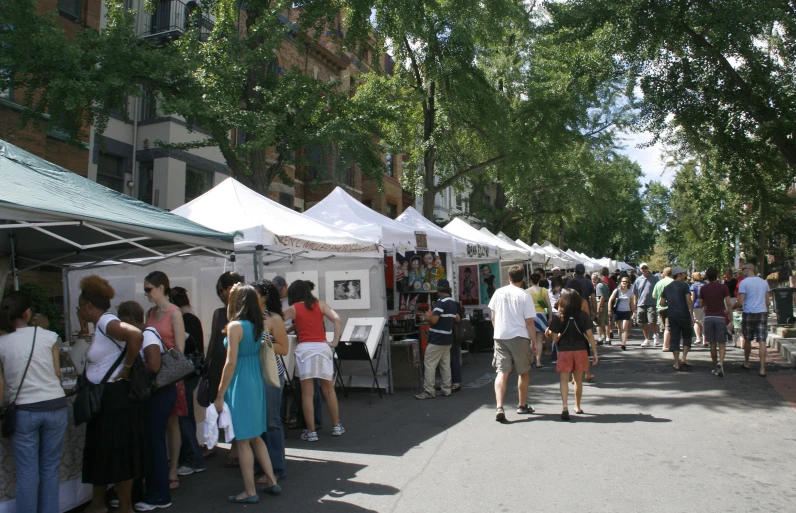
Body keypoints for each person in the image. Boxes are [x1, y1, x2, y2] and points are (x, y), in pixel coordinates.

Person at [78, 275, 145, 513]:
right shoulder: (102, 324)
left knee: (117, 452)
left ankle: (124, 506)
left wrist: (126, 369)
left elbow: (136, 335)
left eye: (80, 306)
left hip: (114, 398)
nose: (79, 311)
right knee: (102, 451)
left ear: (88, 306)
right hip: (106, 399)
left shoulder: (106, 321)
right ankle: (99, 503)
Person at [0, 291, 67, 513]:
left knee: (28, 473)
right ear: (28, 313)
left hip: (23, 410)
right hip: (55, 405)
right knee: (49, 469)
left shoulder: (2, 343)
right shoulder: (48, 336)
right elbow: (57, 374)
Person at [215, 284, 280, 504]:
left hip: (240, 382)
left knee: (243, 439)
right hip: (256, 380)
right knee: (255, 437)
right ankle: (271, 480)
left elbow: (230, 362)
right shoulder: (260, 324)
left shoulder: (235, 326)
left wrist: (219, 394)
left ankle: (250, 491)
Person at [117, 301, 172, 512]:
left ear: (129, 319)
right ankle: (144, 493)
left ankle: (159, 495)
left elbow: (154, 365)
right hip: (157, 394)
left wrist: (130, 370)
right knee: (150, 443)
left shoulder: (147, 335)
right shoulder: (147, 333)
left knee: (154, 444)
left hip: (158, 394)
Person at [283, 280, 344, 442]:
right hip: (322, 348)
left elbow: (276, 321)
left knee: (307, 393)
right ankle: (337, 426)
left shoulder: (293, 308)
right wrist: (335, 341)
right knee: (329, 390)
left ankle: (311, 432)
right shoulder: (320, 305)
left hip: (305, 350)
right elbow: (337, 320)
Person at [144, 271, 186, 492]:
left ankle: (172, 470)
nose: (146, 294)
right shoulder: (149, 312)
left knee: (171, 423)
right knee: (158, 423)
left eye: (148, 289)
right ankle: (160, 468)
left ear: (161, 288)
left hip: (169, 373)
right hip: (153, 374)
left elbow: (180, 349)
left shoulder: (174, 313)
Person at [488, 265, 537, 422]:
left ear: (509, 277)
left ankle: (499, 406)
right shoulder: (525, 295)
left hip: (501, 335)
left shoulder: (498, 293)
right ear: (522, 279)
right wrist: (534, 342)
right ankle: (521, 404)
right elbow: (529, 321)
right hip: (519, 336)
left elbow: (493, 317)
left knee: (502, 371)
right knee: (523, 371)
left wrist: (498, 331)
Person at [252, 279, 289, 481]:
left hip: (272, 372)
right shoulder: (248, 317)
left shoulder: (274, 319)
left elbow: (284, 348)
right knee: (259, 421)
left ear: (264, 296)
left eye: (254, 293)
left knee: (271, 420)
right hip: (252, 373)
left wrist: (262, 345)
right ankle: (262, 464)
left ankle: (276, 468)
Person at [205, 271, 244, 464]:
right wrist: (207, 361)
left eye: (221, 290)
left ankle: (236, 446)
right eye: (218, 291)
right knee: (218, 403)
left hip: (234, 363)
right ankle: (214, 442)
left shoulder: (244, 313)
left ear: (230, 289)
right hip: (219, 363)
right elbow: (213, 339)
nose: (219, 294)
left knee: (234, 404)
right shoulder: (219, 313)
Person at [169, 287, 206, 477]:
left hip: (185, 372)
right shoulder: (192, 317)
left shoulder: (183, 319)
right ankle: (190, 456)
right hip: (193, 371)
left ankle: (193, 458)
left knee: (183, 416)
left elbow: (185, 346)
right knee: (186, 415)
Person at [546, 288, 598, 420]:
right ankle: (577, 406)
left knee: (564, 380)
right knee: (578, 381)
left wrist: (553, 336)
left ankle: (564, 406)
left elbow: (555, 338)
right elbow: (590, 335)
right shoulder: (583, 315)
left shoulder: (559, 316)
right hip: (580, 349)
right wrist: (595, 352)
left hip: (564, 350)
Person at [415, 279, 460, 399]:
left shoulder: (441, 302)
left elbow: (434, 320)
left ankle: (429, 390)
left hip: (437, 337)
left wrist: (425, 318)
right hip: (448, 337)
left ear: (439, 289)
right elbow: (457, 319)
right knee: (445, 365)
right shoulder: (452, 302)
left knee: (430, 364)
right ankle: (446, 389)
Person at [733, 263, 772, 376]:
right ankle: (762, 369)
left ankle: (747, 362)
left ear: (749, 269)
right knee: (762, 340)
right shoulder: (764, 282)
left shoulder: (744, 283)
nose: (742, 272)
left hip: (749, 312)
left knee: (748, 338)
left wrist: (731, 308)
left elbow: (740, 301)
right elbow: (768, 302)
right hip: (762, 313)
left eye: (743, 269)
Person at [699, 268, 732, 377]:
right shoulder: (723, 287)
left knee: (712, 344)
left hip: (709, 317)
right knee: (721, 343)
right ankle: (721, 363)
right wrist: (730, 317)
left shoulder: (704, 288)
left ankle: (715, 366)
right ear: (717, 275)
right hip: (720, 317)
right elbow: (728, 303)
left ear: (707, 277)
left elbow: (700, 304)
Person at [660, 266, 694, 371]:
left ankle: (676, 363)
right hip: (684, 314)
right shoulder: (685, 286)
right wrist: (692, 314)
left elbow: (661, 303)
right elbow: (689, 300)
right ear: (679, 274)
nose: (685, 275)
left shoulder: (667, 287)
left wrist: (670, 302)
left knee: (675, 338)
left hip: (672, 315)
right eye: (684, 273)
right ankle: (684, 357)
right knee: (687, 336)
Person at [525, 273, 551, 368]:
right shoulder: (544, 290)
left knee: (531, 340)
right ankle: (538, 361)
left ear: (530, 281)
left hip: (530, 316)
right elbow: (548, 305)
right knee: (539, 340)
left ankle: (531, 359)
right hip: (541, 315)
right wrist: (550, 316)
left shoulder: (526, 291)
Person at [632, 263, 659, 347]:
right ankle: (647, 339)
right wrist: (634, 306)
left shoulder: (654, 279)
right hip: (641, 303)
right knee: (643, 322)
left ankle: (655, 334)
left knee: (652, 320)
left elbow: (658, 290)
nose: (643, 269)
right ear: (640, 270)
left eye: (645, 268)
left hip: (652, 303)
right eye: (642, 268)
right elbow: (635, 294)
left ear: (647, 268)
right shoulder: (638, 280)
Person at [608, 276, 635, 350]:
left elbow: (632, 303)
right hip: (617, 311)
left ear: (628, 283)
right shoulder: (617, 291)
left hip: (626, 311)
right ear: (620, 282)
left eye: (626, 282)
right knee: (619, 328)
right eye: (623, 282)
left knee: (624, 328)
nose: (624, 283)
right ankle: (621, 341)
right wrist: (609, 310)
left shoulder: (630, 292)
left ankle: (623, 343)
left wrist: (634, 312)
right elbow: (610, 300)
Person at [652, 267, 673, 351]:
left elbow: (654, 295)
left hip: (660, 307)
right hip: (670, 307)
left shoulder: (659, 283)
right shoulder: (673, 282)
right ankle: (666, 345)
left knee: (664, 328)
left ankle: (667, 343)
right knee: (669, 328)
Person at [593, 272, 610, 345]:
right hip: (606, 304)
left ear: (598, 278)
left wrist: (598, 309)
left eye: (594, 279)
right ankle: (607, 338)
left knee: (598, 323)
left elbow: (602, 297)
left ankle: (600, 338)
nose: (593, 280)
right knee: (606, 322)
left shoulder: (599, 286)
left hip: (602, 304)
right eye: (592, 279)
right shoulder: (604, 284)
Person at [690, 272, 707, 347]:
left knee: (696, 322)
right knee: (704, 322)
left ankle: (698, 338)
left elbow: (692, 298)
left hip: (696, 305)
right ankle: (705, 340)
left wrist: (690, 305)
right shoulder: (705, 285)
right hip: (704, 305)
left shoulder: (693, 286)